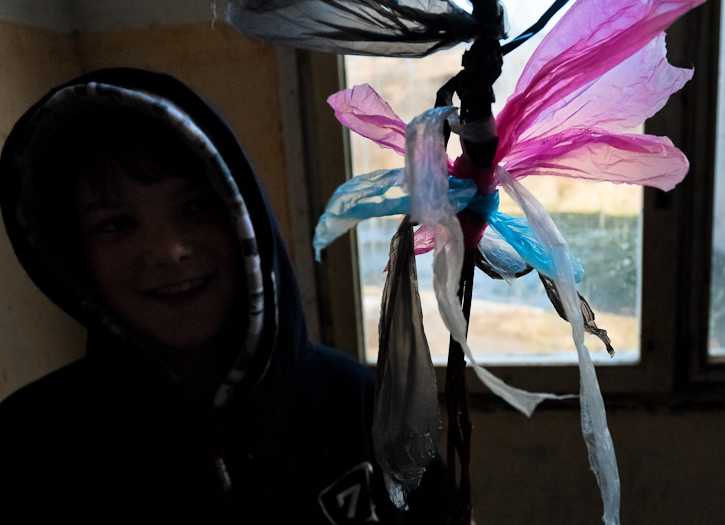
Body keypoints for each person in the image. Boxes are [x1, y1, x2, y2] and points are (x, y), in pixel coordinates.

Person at [0, 68, 446, 524]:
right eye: (115, 224)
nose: (167, 251)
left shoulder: (362, 410)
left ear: (243, 216)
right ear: (73, 254)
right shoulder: (26, 445)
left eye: (195, 207)